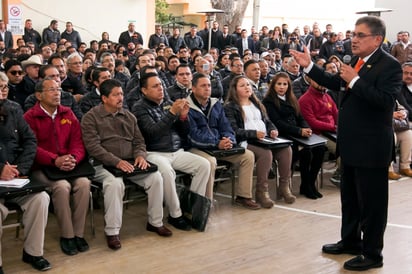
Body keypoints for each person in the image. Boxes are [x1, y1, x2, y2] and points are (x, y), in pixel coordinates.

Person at [290, 16, 403, 271]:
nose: (353, 39)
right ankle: (351, 241)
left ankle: (373, 253)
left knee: (372, 205)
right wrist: (309, 67)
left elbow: (385, 102)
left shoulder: (390, 66)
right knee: (350, 198)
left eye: (360, 35)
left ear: (377, 39)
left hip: (372, 147)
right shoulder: (357, 62)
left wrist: (355, 80)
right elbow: (335, 83)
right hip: (351, 144)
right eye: (353, 34)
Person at [81, 79, 173, 250]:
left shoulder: (129, 116)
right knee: (114, 184)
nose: (120, 98)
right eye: (115, 95)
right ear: (104, 98)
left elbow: (139, 141)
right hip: (102, 164)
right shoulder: (91, 118)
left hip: (129, 162)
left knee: (155, 177)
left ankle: (155, 222)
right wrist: (116, 161)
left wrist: (140, 155)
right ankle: (112, 231)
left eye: (121, 94)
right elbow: (93, 147)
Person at [132, 73, 210, 228]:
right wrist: (172, 113)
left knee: (204, 165)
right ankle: (176, 215)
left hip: (176, 150)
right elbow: (152, 133)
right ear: (144, 90)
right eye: (155, 86)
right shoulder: (139, 108)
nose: (160, 88)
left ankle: (191, 208)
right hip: (154, 152)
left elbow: (184, 132)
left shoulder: (168, 103)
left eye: (161, 84)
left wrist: (183, 118)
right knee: (167, 173)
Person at [24, 79, 91, 257]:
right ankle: (67, 235)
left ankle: (79, 233)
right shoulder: (30, 117)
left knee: (84, 184)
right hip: (43, 167)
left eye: (58, 89)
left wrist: (74, 159)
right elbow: (32, 147)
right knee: (62, 187)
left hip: (69, 164)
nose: (57, 93)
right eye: (52, 90)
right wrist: (55, 160)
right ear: (39, 95)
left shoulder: (68, 113)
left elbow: (78, 142)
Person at [0, 72, 51, 272]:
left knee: (40, 199)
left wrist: (20, 169)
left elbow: (30, 141)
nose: (3, 91)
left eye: (5, 87)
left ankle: (33, 252)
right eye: (0, 86)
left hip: (14, 176)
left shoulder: (13, 109)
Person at [186, 73, 259, 209]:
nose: (207, 88)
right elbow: (193, 135)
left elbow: (226, 126)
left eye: (209, 85)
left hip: (219, 145)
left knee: (247, 156)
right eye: (203, 86)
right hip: (196, 147)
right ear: (193, 88)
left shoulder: (216, 104)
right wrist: (216, 143)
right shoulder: (187, 106)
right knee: (210, 162)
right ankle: (207, 203)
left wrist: (228, 139)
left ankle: (243, 196)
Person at [224, 75, 295, 206]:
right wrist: (254, 134)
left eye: (248, 85)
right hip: (247, 141)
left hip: (264, 139)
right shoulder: (230, 107)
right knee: (265, 154)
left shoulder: (257, 103)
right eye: (242, 85)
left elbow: (267, 121)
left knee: (286, 149)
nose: (247, 87)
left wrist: (273, 130)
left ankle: (284, 187)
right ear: (235, 89)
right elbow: (234, 130)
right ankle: (262, 191)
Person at [262, 72, 325, 200]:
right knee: (306, 152)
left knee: (320, 148)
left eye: (285, 84)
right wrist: (298, 131)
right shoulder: (268, 101)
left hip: (298, 133)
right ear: (273, 85)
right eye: (279, 84)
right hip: (284, 135)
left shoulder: (292, 98)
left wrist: (306, 128)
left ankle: (310, 183)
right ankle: (305, 186)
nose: (282, 87)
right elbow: (278, 123)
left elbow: (300, 117)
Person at [298, 75, 341, 186]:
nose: (321, 83)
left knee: (355, 144)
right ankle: (339, 176)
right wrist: (333, 127)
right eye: (318, 80)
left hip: (333, 130)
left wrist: (340, 126)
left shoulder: (327, 96)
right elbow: (312, 122)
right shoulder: (305, 99)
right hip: (318, 133)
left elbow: (336, 113)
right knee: (343, 150)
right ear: (310, 80)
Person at [388, 101, 412, 180]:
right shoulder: (376, 95)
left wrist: (403, 113)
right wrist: (391, 115)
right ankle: (388, 169)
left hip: (394, 126)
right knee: (392, 136)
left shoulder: (391, 94)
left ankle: (405, 166)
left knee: (408, 134)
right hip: (381, 128)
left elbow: (401, 107)